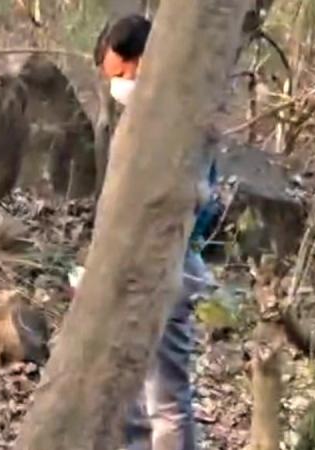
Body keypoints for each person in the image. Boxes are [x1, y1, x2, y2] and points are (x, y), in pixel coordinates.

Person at [93, 14, 222, 450]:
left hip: (171, 264)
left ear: (146, 60)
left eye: (124, 72)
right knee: (129, 390)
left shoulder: (182, 117)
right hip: (135, 268)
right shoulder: (143, 120)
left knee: (165, 398)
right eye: (113, 77)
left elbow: (199, 201)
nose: (120, 84)